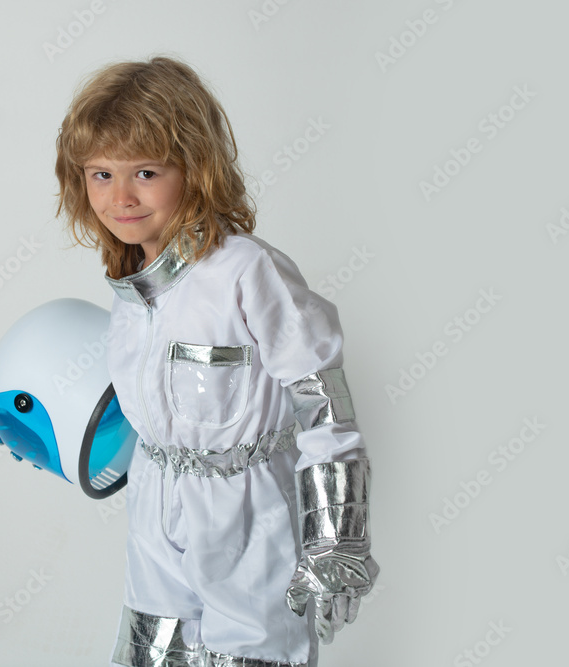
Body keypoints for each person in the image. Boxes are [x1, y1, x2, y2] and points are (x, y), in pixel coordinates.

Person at [54, 54, 379, 667]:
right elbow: (147, 418)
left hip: (249, 518)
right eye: (99, 174)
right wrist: (50, 433)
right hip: (155, 510)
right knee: (154, 655)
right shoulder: (132, 287)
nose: (119, 196)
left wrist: (337, 535)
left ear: (195, 168)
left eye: (144, 172)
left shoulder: (247, 271)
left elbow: (322, 399)